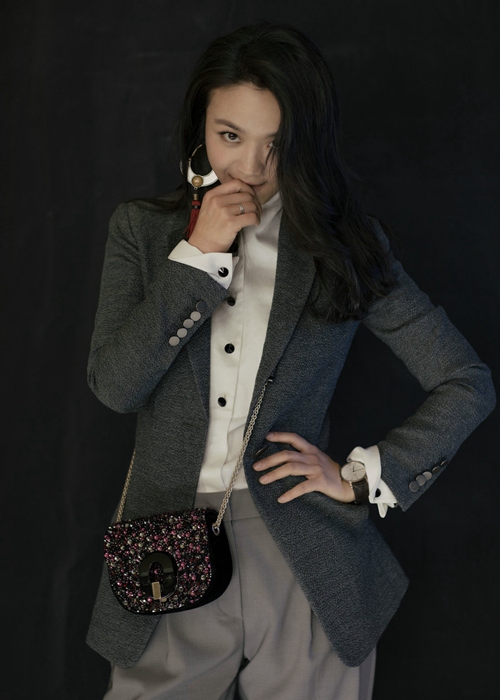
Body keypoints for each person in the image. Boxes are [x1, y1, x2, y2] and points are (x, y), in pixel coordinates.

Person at [86, 22, 495, 700]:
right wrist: (198, 255)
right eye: (230, 135)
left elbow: (466, 381)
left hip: (304, 552)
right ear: (199, 126)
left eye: (276, 145)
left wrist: (362, 476)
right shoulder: (142, 232)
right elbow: (116, 386)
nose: (250, 167)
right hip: (164, 546)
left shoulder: (346, 247)